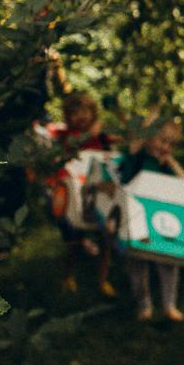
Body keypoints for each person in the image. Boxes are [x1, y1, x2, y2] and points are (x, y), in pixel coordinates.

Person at [41, 92, 122, 297]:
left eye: (85, 111)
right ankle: (69, 276)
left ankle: (103, 279)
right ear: (68, 117)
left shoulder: (101, 139)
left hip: (99, 192)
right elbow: (80, 142)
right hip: (75, 194)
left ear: (92, 112)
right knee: (74, 240)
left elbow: (117, 147)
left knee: (106, 239)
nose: (81, 117)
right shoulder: (70, 138)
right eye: (75, 113)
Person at [118, 117, 184, 322]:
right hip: (137, 217)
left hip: (163, 219)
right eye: (162, 141)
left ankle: (169, 305)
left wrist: (172, 162)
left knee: (168, 262)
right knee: (137, 262)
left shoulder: (165, 165)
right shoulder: (138, 159)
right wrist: (135, 148)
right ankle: (144, 304)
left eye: (171, 144)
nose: (166, 147)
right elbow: (124, 179)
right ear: (149, 139)